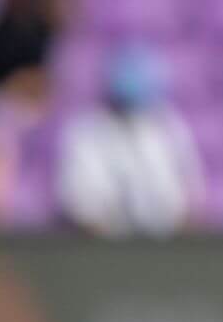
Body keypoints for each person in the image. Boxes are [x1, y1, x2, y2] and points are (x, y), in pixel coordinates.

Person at [56, 44, 204, 237]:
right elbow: (79, 203)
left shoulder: (170, 126)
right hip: (104, 248)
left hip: (165, 245)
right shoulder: (85, 131)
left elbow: (191, 197)